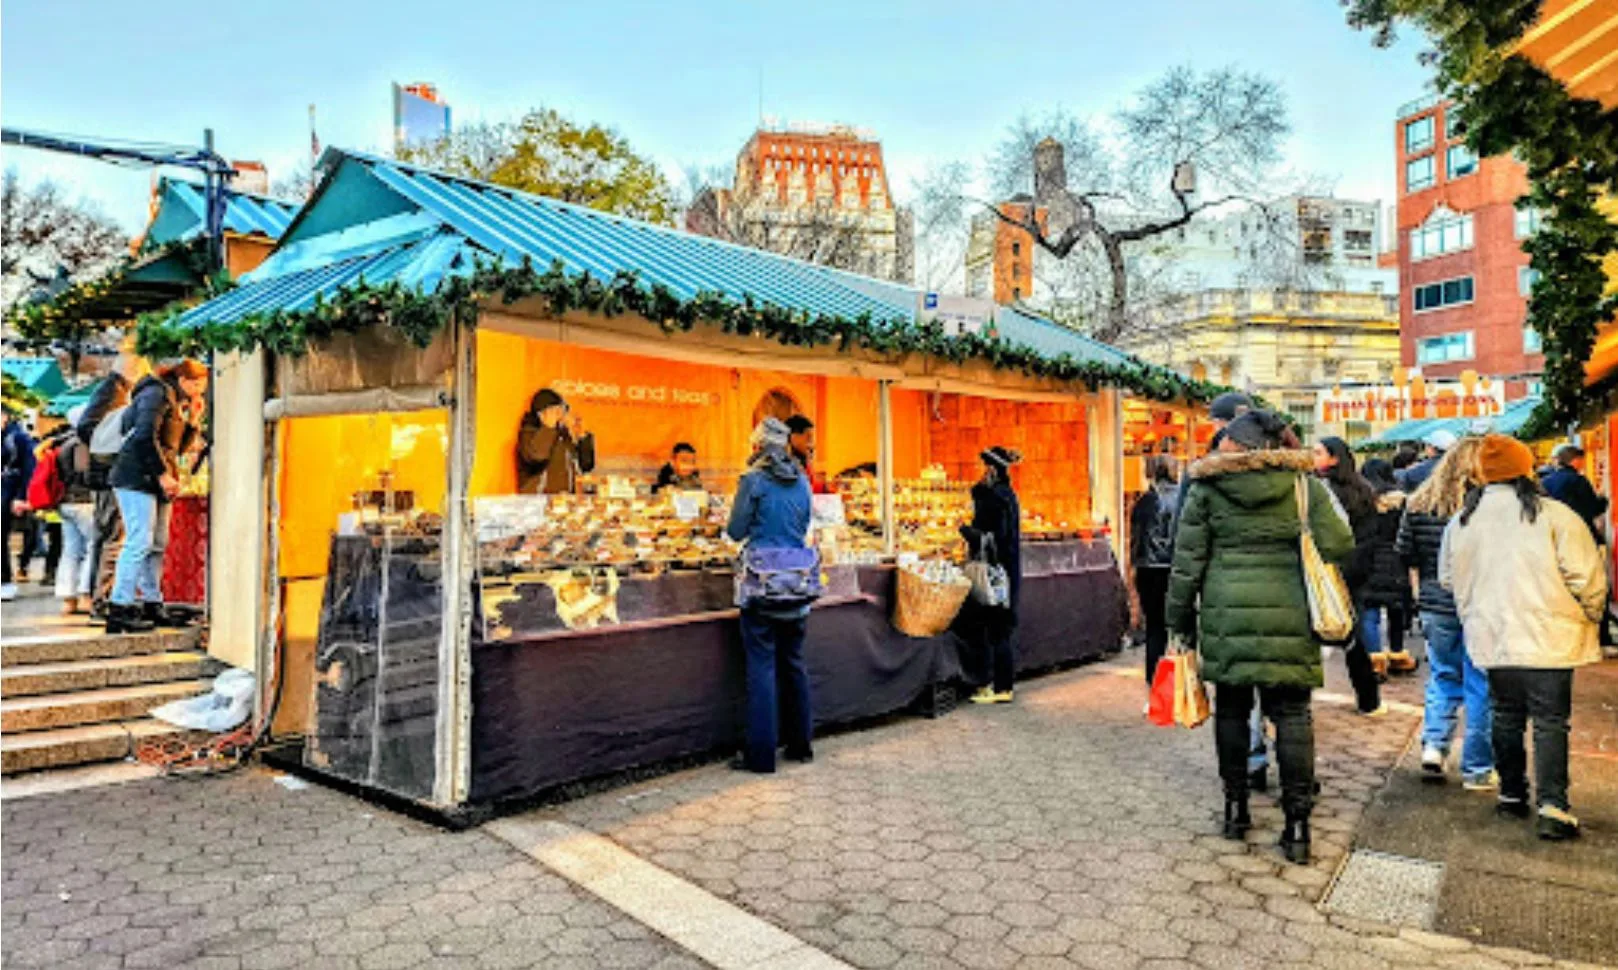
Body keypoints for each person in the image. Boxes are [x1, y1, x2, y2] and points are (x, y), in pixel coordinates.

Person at [1167, 410, 1354, 864]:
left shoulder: (1208, 489)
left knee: (1231, 712)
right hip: (1291, 615)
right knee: (1292, 715)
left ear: (1232, 446)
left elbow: (1186, 561)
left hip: (1225, 615)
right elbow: (1341, 543)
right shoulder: (1303, 485)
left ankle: (1236, 810)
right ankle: (1297, 827)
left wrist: (1178, 621)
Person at [1440, 435, 1607, 840]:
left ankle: (1512, 794)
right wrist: (1589, 615)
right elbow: (1587, 579)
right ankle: (1553, 806)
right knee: (1551, 721)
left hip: (1494, 636)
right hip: (1552, 636)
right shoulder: (1555, 515)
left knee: (1506, 714)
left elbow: (1448, 578)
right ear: (1527, 471)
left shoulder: (1462, 521)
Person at [1397, 436, 1494, 789]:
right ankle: (1478, 767)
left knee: (1442, 676)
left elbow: (1404, 551)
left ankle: (1434, 746)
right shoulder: (1490, 507)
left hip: (1435, 601)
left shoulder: (1420, 502)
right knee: (1481, 683)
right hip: (1481, 602)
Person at [726, 417, 815, 773]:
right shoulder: (803, 481)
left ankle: (761, 756)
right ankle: (801, 745)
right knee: (794, 663)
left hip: (762, 584)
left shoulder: (753, 480)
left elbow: (735, 531)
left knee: (762, 666)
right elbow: (804, 525)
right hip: (796, 581)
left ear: (758, 446)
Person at [108, 360, 207, 633]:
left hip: (156, 480)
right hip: (136, 477)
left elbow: (176, 447)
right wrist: (163, 474)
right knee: (139, 541)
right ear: (186, 380)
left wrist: (194, 421)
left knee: (157, 544)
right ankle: (119, 606)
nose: (201, 390)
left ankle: (152, 601)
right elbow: (143, 436)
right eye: (199, 384)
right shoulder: (156, 393)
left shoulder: (174, 401)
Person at [1314, 436, 1385, 715]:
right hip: (1354, 572)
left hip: (1327, 570)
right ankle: (1368, 698)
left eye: (1318, 452)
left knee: (1320, 632)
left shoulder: (1319, 490)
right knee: (1352, 639)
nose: (1313, 456)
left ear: (1334, 459)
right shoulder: (1364, 491)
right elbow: (1370, 539)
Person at [961, 447, 1024, 705]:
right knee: (999, 626)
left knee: (996, 627)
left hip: (996, 572)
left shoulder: (995, 499)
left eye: (985, 467)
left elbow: (996, 537)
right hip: (1005, 571)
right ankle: (999, 684)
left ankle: (1000, 687)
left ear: (993, 469)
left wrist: (968, 532)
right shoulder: (1007, 496)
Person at [80, 356, 140, 620]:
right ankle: (102, 599)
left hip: (104, 477)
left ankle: (97, 597)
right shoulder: (113, 392)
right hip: (109, 477)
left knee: (105, 539)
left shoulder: (111, 390)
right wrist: (113, 448)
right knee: (114, 539)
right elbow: (87, 427)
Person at [1359, 459, 1418, 676]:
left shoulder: (1362, 502)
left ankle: (1375, 659)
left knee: (1369, 613)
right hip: (1397, 562)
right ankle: (1397, 654)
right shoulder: (1403, 502)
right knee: (1396, 611)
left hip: (1369, 561)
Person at [1130, 455, 1180, 695]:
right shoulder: (1183, 498)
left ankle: (1156, 685)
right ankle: (1183, 685)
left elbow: (1136, 540)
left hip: (1148, 570)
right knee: (1180, 628)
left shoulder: (1144, 501)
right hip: (1175, 568)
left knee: (1155, 628)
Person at [517, 388, 595, 494]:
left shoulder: (562, 434)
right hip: (538, 502)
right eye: (555, 411)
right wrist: (548, 427)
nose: (560, 416)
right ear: (541, 414)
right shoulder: (528, 434)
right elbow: (537, 456)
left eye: (562, 411)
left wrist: (582, 437)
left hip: (563, 501)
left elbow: (586, 466)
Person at [1540, 443, 1608, 545]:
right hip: (1580, 532)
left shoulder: (1545, 482)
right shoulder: (1578, 480)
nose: (1582, 464)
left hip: (1555, 534)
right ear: (1575, 460)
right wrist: (1605, 500)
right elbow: (1593, 508)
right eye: (1581, 460)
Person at [2, 406, 37, 602]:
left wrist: (22, 496)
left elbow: (28, 469)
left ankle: (5, 580)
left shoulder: (18, 438)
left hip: (8, 493)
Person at [785, 415, 830, 494]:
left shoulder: (804, 462)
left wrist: (825, 488)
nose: (812, 445)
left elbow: (814, 487)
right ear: (793, 437)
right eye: (809, 437)